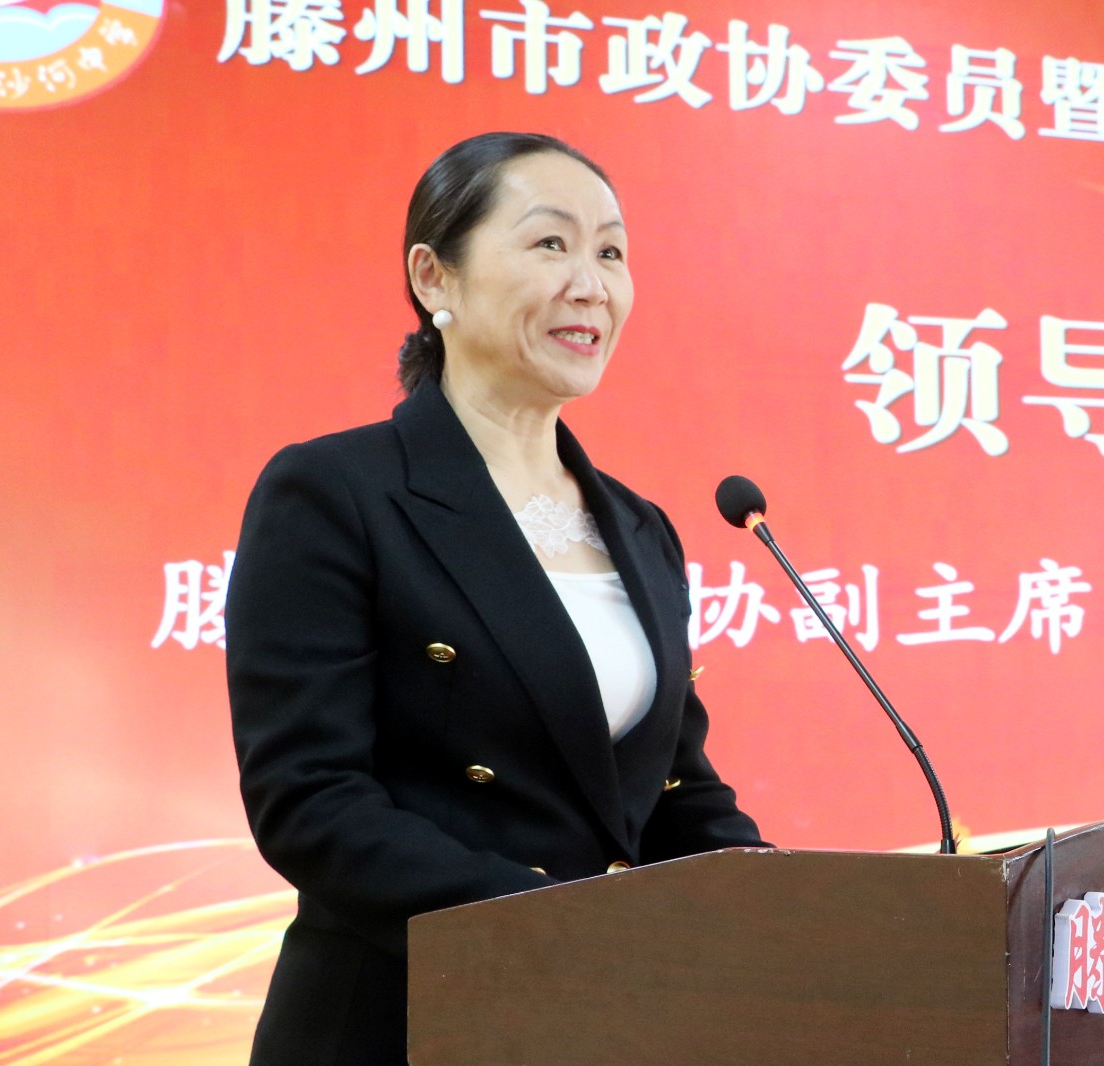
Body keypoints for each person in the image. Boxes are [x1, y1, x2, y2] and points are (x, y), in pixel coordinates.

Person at [226, 131, 769, 1065]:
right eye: (551, 243)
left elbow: (674, 789)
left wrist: (786, 904)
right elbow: (310, 802)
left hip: (596, 1024)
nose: (591, 285)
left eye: (612, 252)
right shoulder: (334, 492)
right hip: (399, 1019)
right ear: (433, 276)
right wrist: (557, 924)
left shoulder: (641, 528)